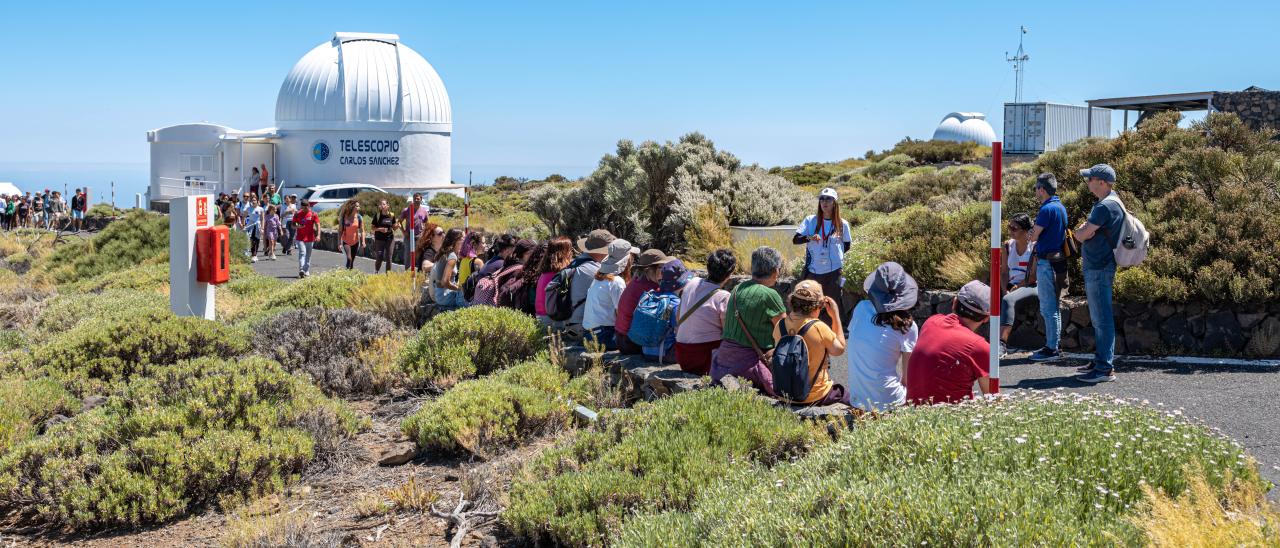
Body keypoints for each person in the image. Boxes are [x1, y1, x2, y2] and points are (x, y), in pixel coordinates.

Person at [710, 246, 788, 396]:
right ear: (775, 271)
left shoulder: (737, 289)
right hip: (750, 364)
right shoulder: (770, 295)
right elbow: (785, 333)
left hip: (724, 360)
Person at [1072, 164, 1123, 384]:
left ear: (1101, 182)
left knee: (1102, 319)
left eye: (1090, 179)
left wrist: (1081, 232)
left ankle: (1104, 368)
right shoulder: (1109, 203)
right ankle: (1101, 360)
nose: (1087, 182)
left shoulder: (1104, 207)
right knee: (1099, 317)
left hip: (1099, 267)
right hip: (1100, 266)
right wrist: (1085, 230)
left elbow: (1082, 235)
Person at [846, 262, 919, 412]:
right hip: (889, 402)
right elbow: (908, 379)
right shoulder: (907, 327)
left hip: (857, 399)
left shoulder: (861, 308)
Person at [905, 280, 994, 405]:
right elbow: (993, 399)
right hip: (951, 420)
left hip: (913, 414)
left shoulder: (931, 322)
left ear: (954, 302)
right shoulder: (980, 346)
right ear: (986, 318)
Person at [773, 279, 848, 406]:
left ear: (792, 301)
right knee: (850, 398)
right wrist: (835, 315)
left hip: (784, 394)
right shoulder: (819, 327)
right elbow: (839, 349)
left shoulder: (780, 325)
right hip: (815, 395)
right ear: (818, 306)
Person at [793, 187, 852, 329]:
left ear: (834, 203)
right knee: (810, 303)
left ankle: (829, 334)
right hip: (814, 270)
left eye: (828, 199)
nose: (824, 202)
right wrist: (809, 237)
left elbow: (847, 245)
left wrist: (836, 256)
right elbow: (796, 239)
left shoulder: (842, 224)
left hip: (834, 272)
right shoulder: (810, 220)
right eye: (822, 199)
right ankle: (810, 331)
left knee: (831, 303)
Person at [1027, 172, 1069, 362]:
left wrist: (1030, 231)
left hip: (1046, 262)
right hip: (1058, 261)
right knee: (1054, 306)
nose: (1036, 192)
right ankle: (1054, 344)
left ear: (1042, 189)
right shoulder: (1060, 207)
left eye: (1036, 189)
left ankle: (1051, 348)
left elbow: (1033, 236)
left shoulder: (1046, 210)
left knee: (1047, 307)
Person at [673, 249, 735, 375]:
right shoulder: (723, 297)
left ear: (708, 267)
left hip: (682, 356)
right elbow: (727, 333)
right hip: (704, 359)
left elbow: (678, 317)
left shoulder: (691, 283)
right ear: (730, 275)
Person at [615, 249, 671, 355]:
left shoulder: (636, 282)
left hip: (621, 338)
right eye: (661, 267)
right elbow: (663, 315)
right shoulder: (650, 289)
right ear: (649, 270)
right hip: (631, 342)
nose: (665, 270)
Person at [582, 239, 633, 351]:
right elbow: (621, 313)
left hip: (589, 334)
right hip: (604, 336)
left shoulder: (599, 277)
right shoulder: (616, 281)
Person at [998, 213, 1037, 357]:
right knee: (987, 296)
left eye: (1014, 228)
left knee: (1009, 300)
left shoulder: (1034, 246)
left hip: (1030, 285)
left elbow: (1033, 276)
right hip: (1011, 284)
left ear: (1025, 230)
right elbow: (1003, 272)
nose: (1010, 230)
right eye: (1009, 227)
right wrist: (1004, 290)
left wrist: (1016, 288)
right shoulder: (1008, 246)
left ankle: (1001, 344)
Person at [564, 229, 614, 339]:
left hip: (570, 324)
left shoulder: (576, 263)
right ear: (602, 251)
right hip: (583, 329)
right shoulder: (594, 270)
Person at [644, 259, 691, 362]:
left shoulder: (655, 295)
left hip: (646, 351)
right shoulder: (674, 303)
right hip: (664, 353)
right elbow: (680, 333)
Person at [535, 236, 575, 328]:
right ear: (563, 252)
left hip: (541, 315)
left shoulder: (545, 272)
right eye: (569, 249)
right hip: (554, 318)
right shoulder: (559, 274)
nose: (571, 252)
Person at [431, 228, 467, 310]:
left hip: (439, 293)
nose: (465, 241)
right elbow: (445, 282)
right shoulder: (452, 256)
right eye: (463, 239)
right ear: (456, 240)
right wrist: (458, 288)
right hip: (445, 295)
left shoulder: (445, 252)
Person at [399, 193, 429, 270]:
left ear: (421, 199)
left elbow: (426, 223)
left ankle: (419, 273)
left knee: (419, 256)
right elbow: (399, 222)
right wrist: (404, 232)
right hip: (409, 236)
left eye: (418, 198)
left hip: (419, 236)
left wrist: (424, 234)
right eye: (415, 198)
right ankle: (407, 273)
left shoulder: (424, 211)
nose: (416, 200)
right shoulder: (407, 210)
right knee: (408, 256)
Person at [292, 200, 320, 278]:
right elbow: (293, 225)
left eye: (306, 207)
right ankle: (301, 270)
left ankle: (306, 270)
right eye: (303, 207)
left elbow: (318, 224)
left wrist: (318, 235)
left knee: (308, 254)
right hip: (300, 237)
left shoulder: (313, 214)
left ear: (309, 206)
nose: (305, 209)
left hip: (310, 237)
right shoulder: (297, 214)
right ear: (301, 206)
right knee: (302, 253)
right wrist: (298, 226)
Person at [370, 199, 396, 273]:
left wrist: (397, 225)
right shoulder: (377, 215)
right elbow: (372, 228)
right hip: (379, 240)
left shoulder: (392, 215)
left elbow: (394, 227)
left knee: (389, 258)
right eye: (381, 204)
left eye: (384, 204)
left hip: (390, 239)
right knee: (379, 257)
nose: (382, 205)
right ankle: (376, 271)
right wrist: (379, 229)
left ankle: (388, 275)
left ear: (388, 206)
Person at [337, 199, 365, 269]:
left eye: (359, 206)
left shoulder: (359, 217)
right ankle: (346, 273)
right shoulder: (344, 217)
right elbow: (340, 231)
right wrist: (339, 243)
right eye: (357, 206)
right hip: (346, 241)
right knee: (349, 258)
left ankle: (349, 277)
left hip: (355, 242)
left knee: (351, 262)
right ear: (352, 207)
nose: (359, 208)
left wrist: (363, 241)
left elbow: (362, 231)